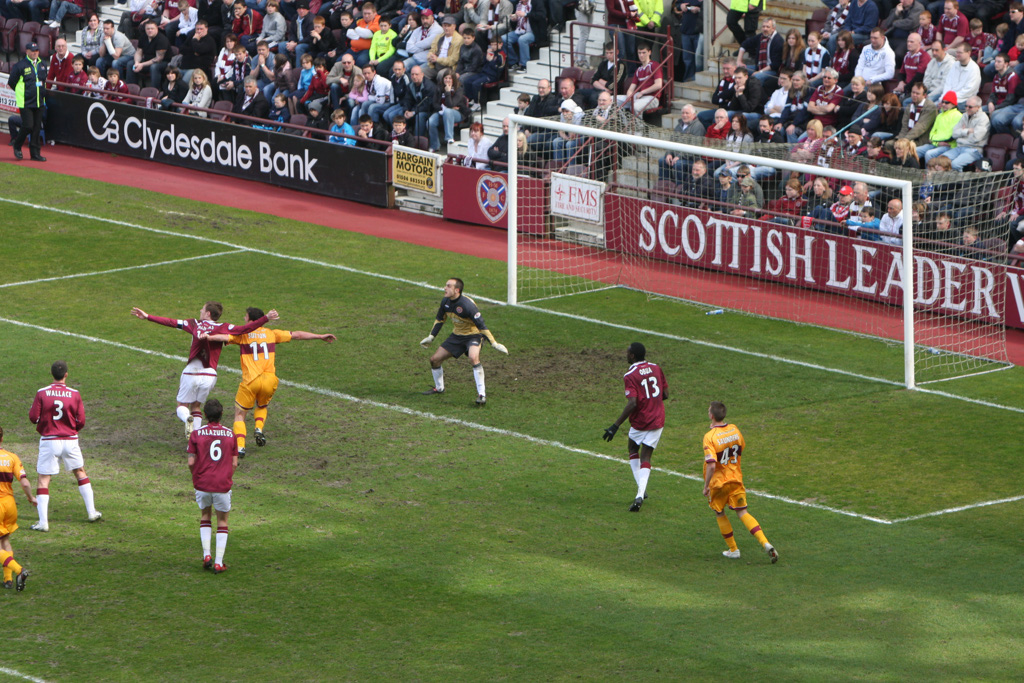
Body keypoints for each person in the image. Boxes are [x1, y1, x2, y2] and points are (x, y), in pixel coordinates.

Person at [199, 309, 335, 458]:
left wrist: (208, 337)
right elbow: (297, 335)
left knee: (239, 414)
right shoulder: (271, 334)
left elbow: (223, 337)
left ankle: (241, 447)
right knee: (262, 406)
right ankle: (258, 428)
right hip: (269, 380)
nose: (244, 318)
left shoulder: (243, 335)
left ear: (251, 320)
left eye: (245, 317)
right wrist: (320, 336)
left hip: (251, 381)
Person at [130, 303, 278, 437]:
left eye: (202, 309)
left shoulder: (194, 324)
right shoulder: (224, 327)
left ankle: (187, 419)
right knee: (196, 406)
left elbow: (171, 322)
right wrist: (265, 318)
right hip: (210, 375)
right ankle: (196, 436)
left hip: (191, 371)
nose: (200, 310)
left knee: (182, 405)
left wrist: (147, 316)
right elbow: (245, 329)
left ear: (208, 313)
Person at [28, 361, 102, 532]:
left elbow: (33, 417)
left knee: (43, 480)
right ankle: (91, 512)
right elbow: (81, 420)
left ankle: (43, 522)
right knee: (80, 472)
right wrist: (71, 430)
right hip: (70, 440)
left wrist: (44, 426)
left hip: (49, 440)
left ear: (51, 374)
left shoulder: (42, 393)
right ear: (66, 374)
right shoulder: (74, 394)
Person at [702, 401, 778, 563]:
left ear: (712, 415)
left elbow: (711, 465)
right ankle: (765, 543)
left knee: (719, 512)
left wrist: (706, 486)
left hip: (719, 483)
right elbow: (741, 447)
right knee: (743, 512)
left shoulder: (709, 437)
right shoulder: (734, 429)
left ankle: (733, 549)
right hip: (736, 478)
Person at [420, 277, 509, 405]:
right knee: (434, 360)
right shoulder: (445, 301)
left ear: (457, 290)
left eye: (448, 286)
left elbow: (482, 326)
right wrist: (431, 337)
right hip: (457, 336)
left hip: (473, 336)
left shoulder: (467, 305)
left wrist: (494, 343)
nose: (445, 288)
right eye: (446, 285)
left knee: (473, 358)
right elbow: (440, 319)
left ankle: (482, 395)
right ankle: (439, 388)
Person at [602, 341, 667, 512]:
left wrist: (615, 426)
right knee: (646, 456)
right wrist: (653, 402)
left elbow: (632, 403)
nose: (626, 355)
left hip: (641, 421)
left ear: (632, 355)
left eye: (627, 352)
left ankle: (640, 492)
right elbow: (665, 394)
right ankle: (641, 491)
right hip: (658, 419)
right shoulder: (656, 368)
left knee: (632, 448)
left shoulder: (630, 375)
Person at [187, 398, 237, 574]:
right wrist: (226, 476)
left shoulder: (196, 434)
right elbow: (234, 463)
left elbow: (191, 462)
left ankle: (206, 555)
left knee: (205, 516)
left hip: (202, 484)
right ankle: (218, 563)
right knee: (222, 521)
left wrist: (196, 476)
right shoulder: (230, 434)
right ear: (221, 414)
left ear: (205, 415)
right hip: (222, 485)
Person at [0, 425, 34, 591]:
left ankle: (19, 570)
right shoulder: (12, 457)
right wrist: (31, 498)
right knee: (4, 540)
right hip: (10, 504)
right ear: (2, 438)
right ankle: (8, 580)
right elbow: (25, 482)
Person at [7, 41, 47, 162]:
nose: (35, 53)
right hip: (26, 102)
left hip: (39, 101)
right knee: (28, 126)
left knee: (36, 128)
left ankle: (35, 154)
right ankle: (17, 145)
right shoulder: (20, 66)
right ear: (27, 52)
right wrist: (23, 94)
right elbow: (11, 82)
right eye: (32, 51)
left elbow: (43, 81)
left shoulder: (42, 64)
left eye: (36, 51)